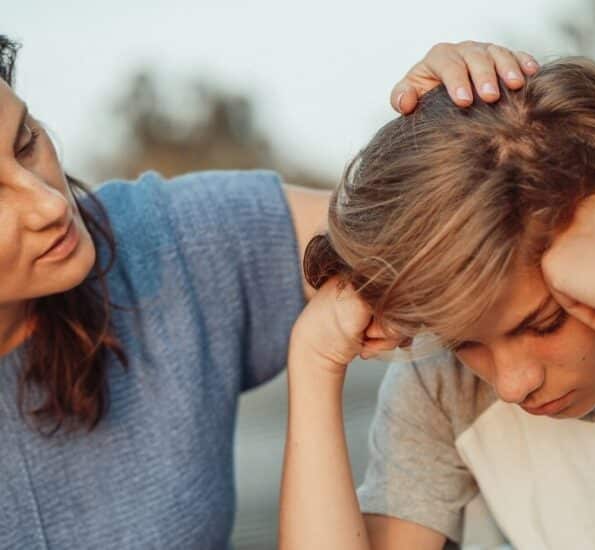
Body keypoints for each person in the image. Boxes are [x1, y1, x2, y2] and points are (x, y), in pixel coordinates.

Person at [0, 34, 536, 549]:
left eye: (26, 143)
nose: (49, 204)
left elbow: (435, 232)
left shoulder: (167, 242)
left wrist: (476, 133)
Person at [279, 56, 595, 549]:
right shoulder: (443, 386)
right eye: (463, 341)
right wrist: (313, 361)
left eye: (545, 323)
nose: (513, 385)